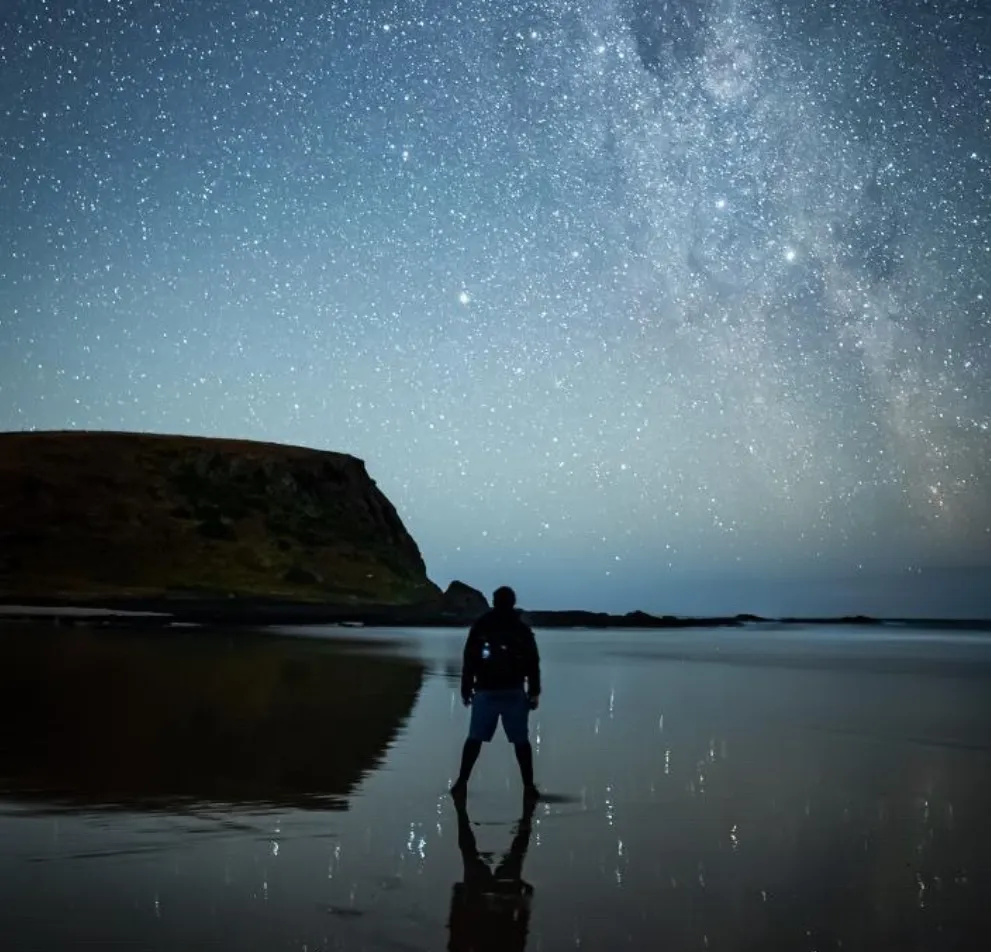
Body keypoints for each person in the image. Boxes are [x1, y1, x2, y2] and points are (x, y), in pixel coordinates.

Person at [450, 585, 541, 799]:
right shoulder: (521, 628)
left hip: (486, 691)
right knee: (521, 742)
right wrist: (534, 691)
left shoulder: (482, 624)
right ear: (513, 602)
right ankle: (528, 786)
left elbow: (469, 658)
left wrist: (465, 687)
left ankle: (461, 783)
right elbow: (533, 661)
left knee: (475, 739)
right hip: (513, 691)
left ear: (494, 601)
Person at [447, 794, 536, 952]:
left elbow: (457, 936)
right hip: (493, 908)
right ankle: (527, 814)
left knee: (513, 855)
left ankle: (462, 813)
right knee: (511, 855)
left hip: (486, 908)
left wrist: (458, 901)